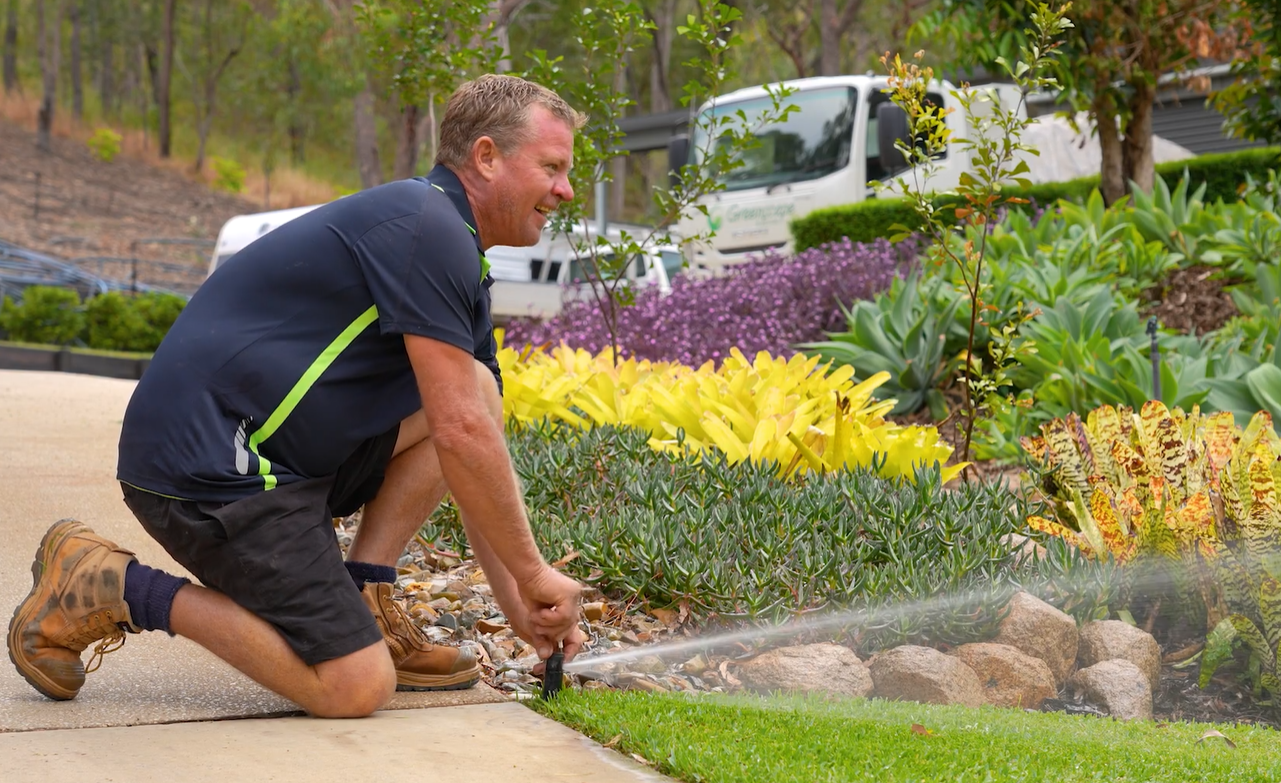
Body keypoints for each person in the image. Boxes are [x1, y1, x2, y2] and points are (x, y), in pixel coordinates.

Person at [7, 74, 588, 718]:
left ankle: (366, 594)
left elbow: (471, 435)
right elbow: (460, 434)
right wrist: (536, 574)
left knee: (477, 391)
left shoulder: (445, 237)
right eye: (552, 167)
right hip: (212, 473)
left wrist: (526, 611)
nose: (565, 190)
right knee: (354, 687)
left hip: (280, 458)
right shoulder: (430, 231)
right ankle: (109, 583)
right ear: (486, 157)